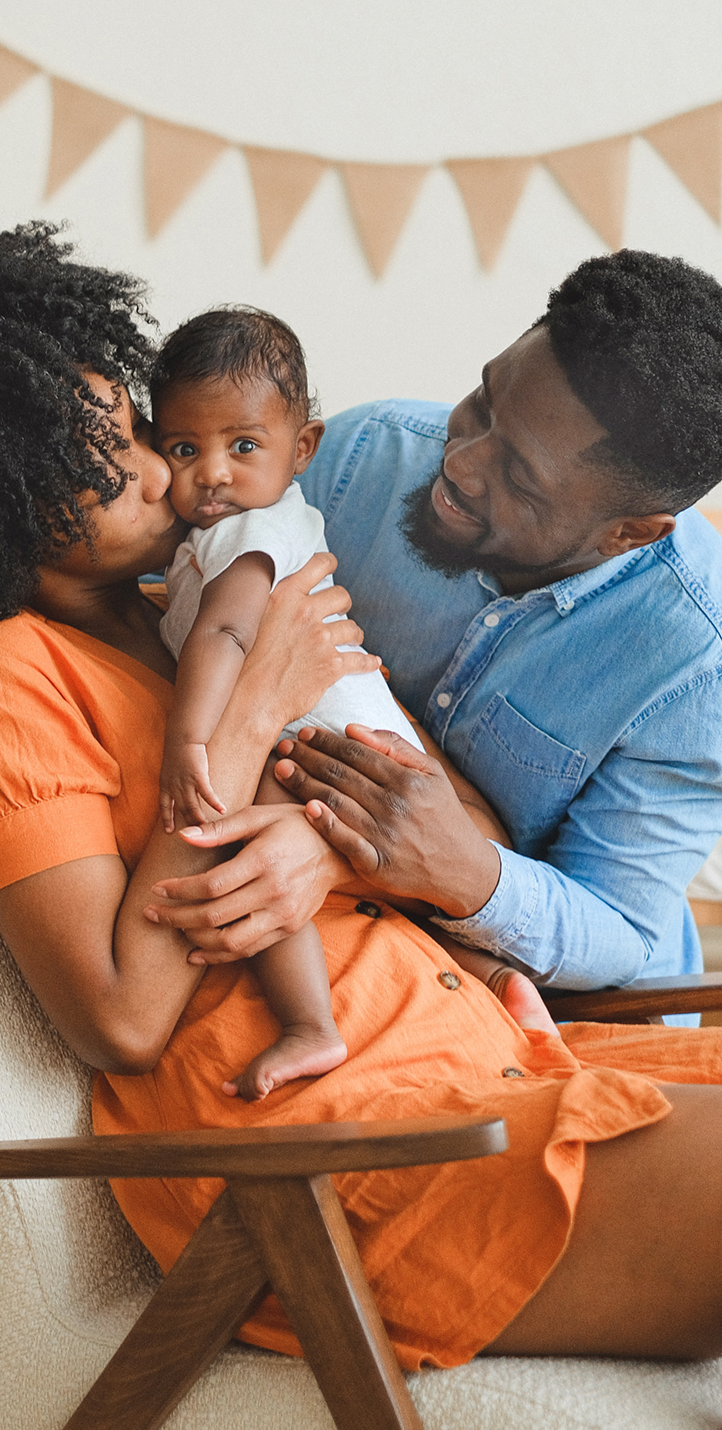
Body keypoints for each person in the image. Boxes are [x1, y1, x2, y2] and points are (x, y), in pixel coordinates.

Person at [0, 218, 722, 1425]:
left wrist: (339, 832)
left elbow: (426, 797)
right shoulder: (3, 678)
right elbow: (118, 1017)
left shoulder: (173, 612)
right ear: (1, 518)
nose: (175, 473)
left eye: (145, 436)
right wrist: (253, 712)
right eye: (119, 470)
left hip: (484, 1057)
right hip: (337, 1156)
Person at [176, 251, 722, 1004]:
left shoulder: (715, 674)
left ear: (630, 533)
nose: (460, 465)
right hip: (364, 962)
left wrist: (461, 868)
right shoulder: (359, 461)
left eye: (520, 479)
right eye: (482, 403)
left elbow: (620, 930)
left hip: (567, 1013)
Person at [150, 304, 553, 1101]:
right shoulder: (266, 521)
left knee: (252, 851)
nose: (213, 474)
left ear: (303, 448)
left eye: (242, 446)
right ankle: (499, 978)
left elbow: (227, 636)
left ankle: (309, 1026)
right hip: (361, 733)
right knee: (383, 879)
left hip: (320, 738)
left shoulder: (243, 531)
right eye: (183, 449)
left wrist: (188, 741)